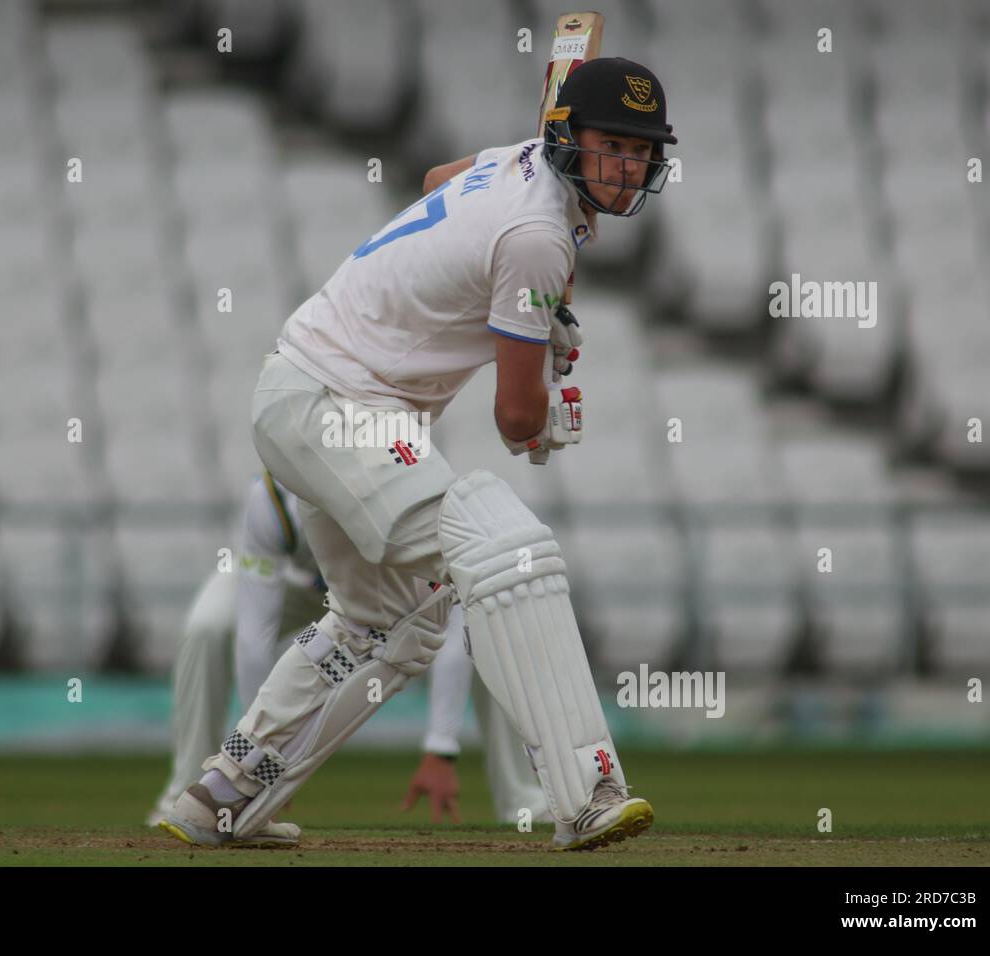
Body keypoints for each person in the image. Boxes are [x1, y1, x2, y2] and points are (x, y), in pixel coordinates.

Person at [160, 57, 676, 850]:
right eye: (613, 144)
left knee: (392, 624)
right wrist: (544, 383)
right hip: (338, 406)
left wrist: (531, 301)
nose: (628, 166)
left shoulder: (520, 163)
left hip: (314, 398)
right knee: (508, 549)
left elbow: (441, 176)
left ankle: (221, 795)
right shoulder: (540, 235)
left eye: (642, 151)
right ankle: (586, 791)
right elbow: (514, 420)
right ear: (569, 138)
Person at [147, 472, 549, 830]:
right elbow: (255, 633)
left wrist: (440, 749)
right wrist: (254, 767)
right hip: (291, 584)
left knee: (484, 631)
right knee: (207, 628)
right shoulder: (271, 497)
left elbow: (454, 624)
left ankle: (523, 804)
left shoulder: (407, 491)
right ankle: (195, 795)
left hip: (376, 589)